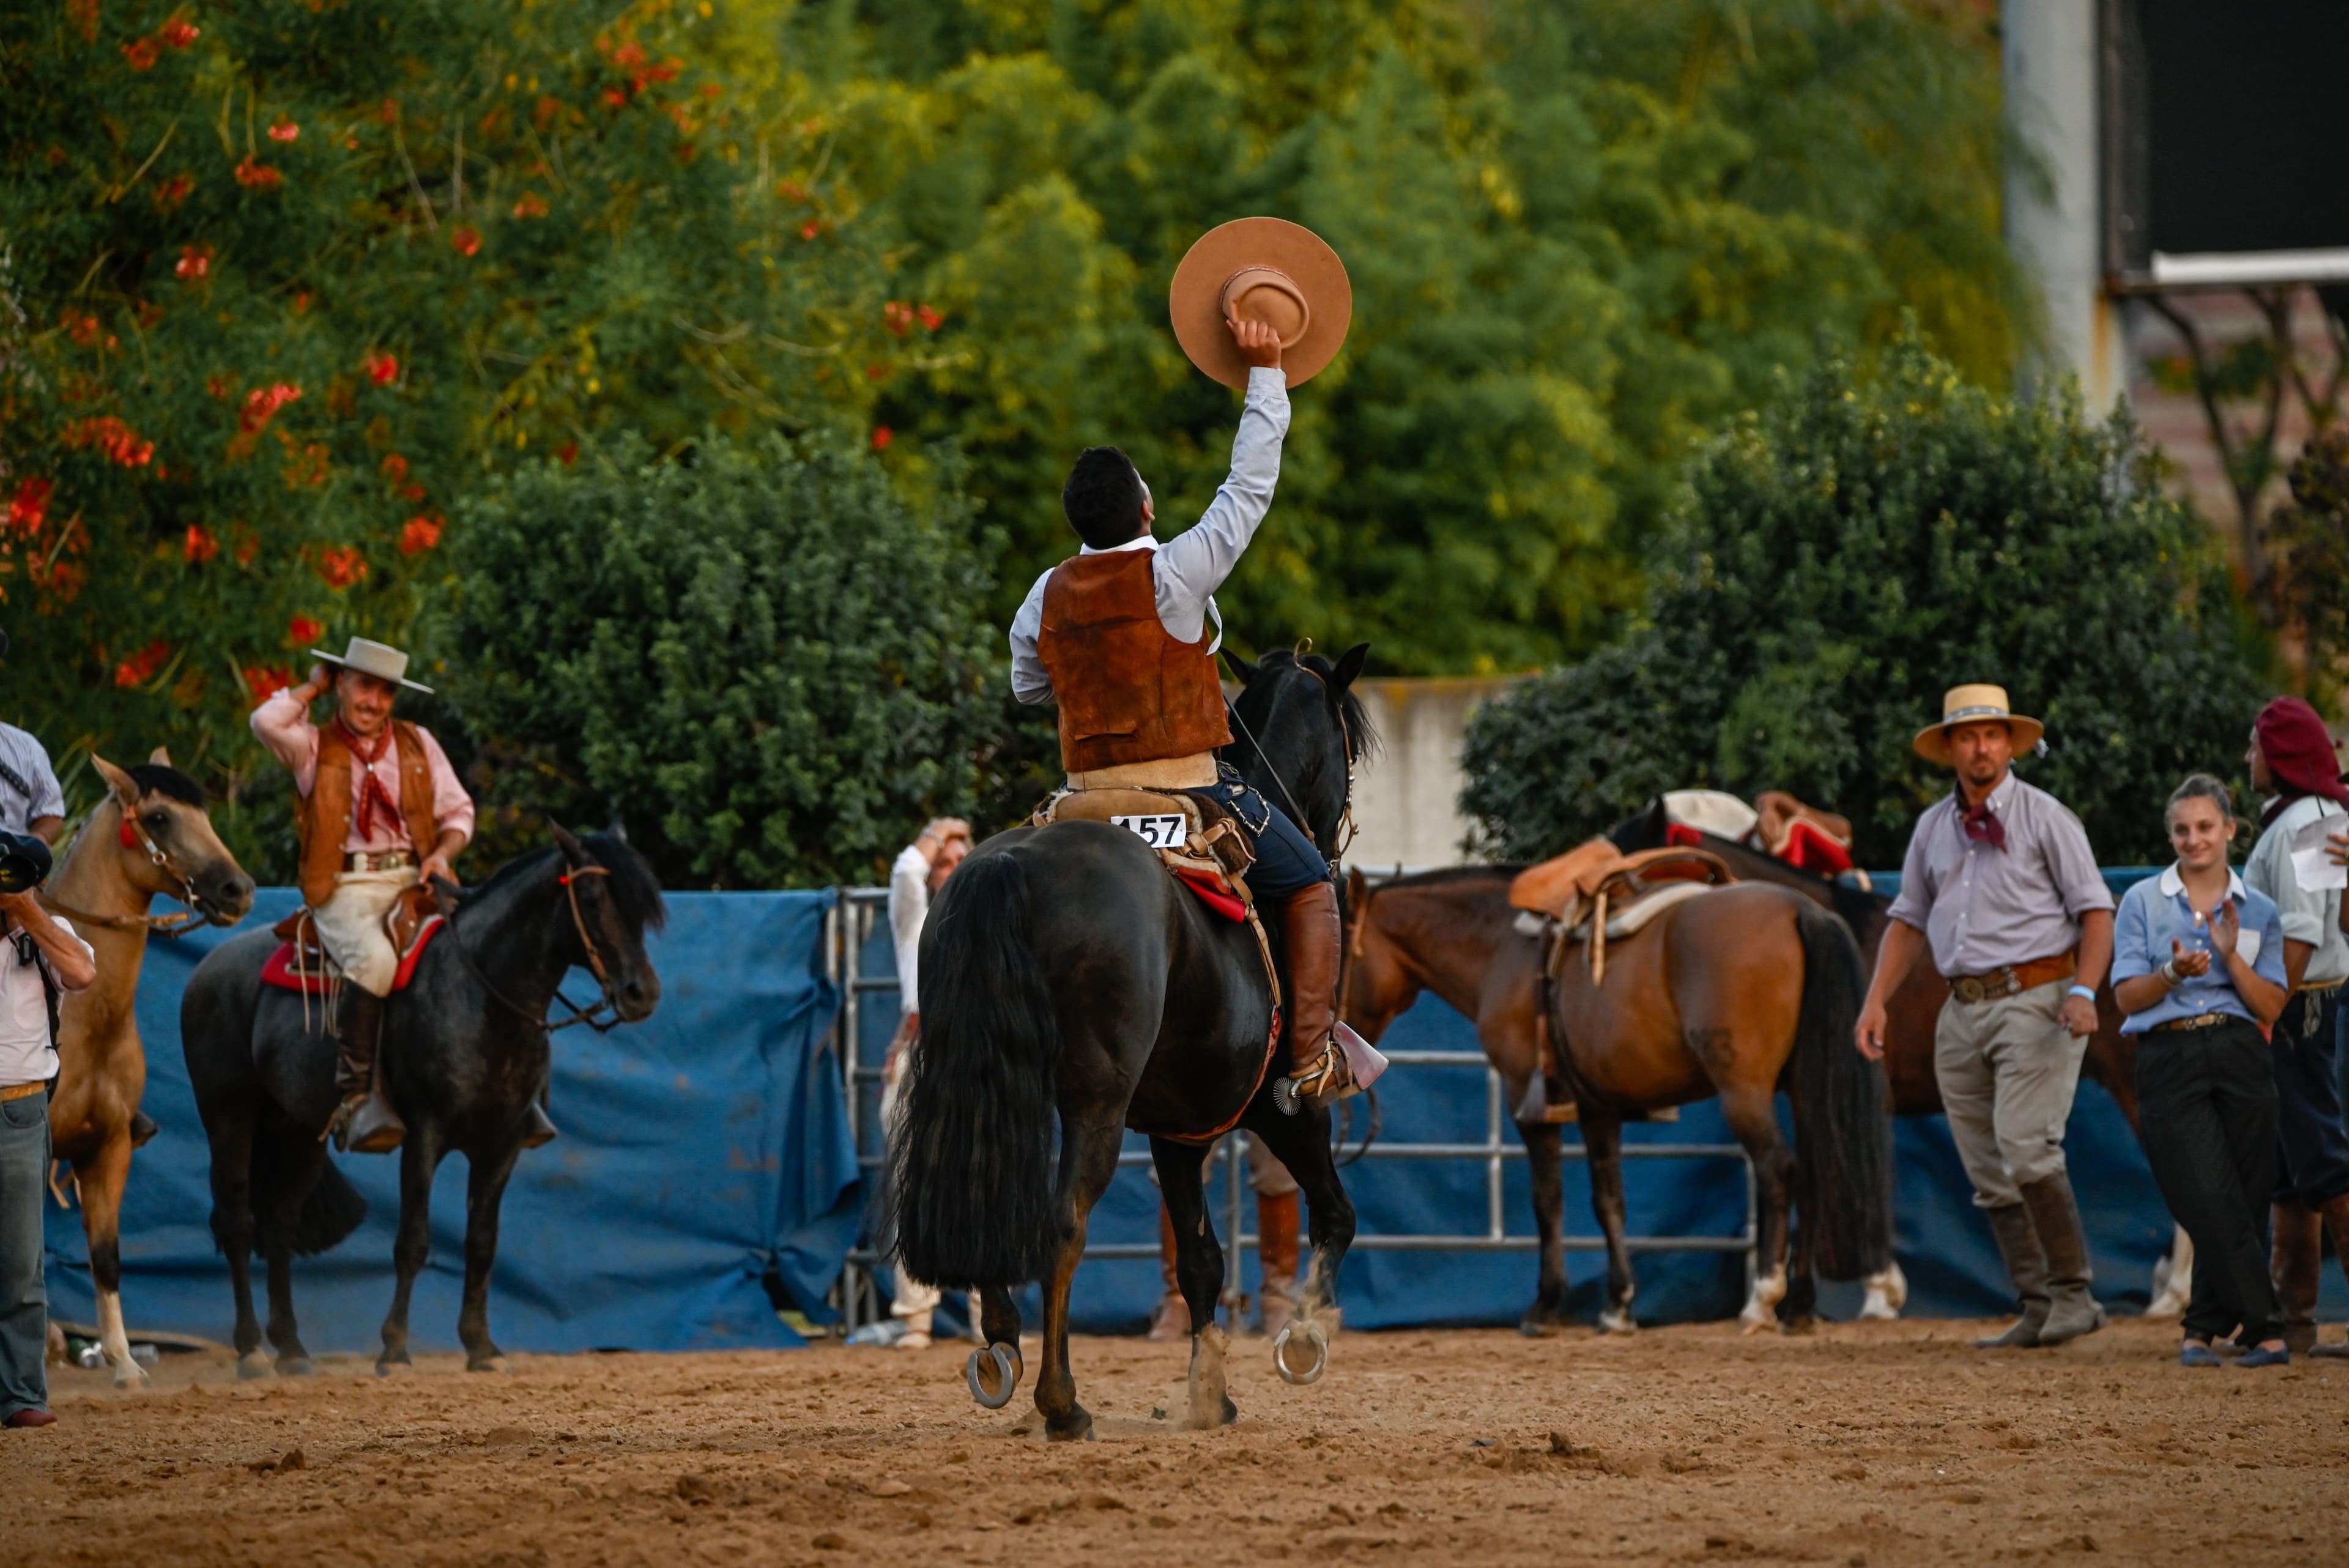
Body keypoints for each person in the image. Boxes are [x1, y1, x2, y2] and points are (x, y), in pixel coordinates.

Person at [1006, 314, 1348, 1104]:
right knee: (1310, 885)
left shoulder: (1043, 594)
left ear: (1078, 526)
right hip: (1190, 790)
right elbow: (1250, 486)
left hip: (1081, 803)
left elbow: (1028, 687)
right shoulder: (1177, 572)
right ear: (1148, 507)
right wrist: (1266, 369)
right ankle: (1310, 1058)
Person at [1856, 685, 2115, 1349]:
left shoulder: (2046, 816)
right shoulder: (1932, 828)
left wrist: (2085, 991)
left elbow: (2096, 911)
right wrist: (1875, 998)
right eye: (1968, 736)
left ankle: (2075, 1295)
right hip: (1961, 1006)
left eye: (1993, 734)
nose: (1982, 746)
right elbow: (1907, 920)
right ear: (1950, 748)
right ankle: (2037, 1305)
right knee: (1985, 1166)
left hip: (2038, 996)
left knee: (2027, 1146)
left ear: (2010, 743)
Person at [251, 636, 476, 1154]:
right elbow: (265, 722)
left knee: (481, 944)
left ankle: (503, 1093)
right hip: (344, 886)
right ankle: (355, 1096)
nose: (374, 702)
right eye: (364, 686)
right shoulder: (310, 745)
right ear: (342, 685)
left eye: (386, 692)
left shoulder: (418, 742)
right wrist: (311, 685)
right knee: (375, 960)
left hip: (415, 880)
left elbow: (459, 812)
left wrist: (443, 853)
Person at [2112, 775, 2291, 1368]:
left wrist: (2229, 953)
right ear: (2170, 835)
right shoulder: (2140, 901)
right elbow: (2125, 998)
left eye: (2205, 827)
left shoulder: (2259, 907)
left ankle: (2200, 1328)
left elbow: (2270, 1005)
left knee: (2243, 1193)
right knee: (2202, 1192)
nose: (2194, 839)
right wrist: (2172, 971)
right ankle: (2268, 1327)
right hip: (2169, 1053)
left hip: (2241, 1049)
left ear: (2230, 831)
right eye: (2183, 829)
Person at [2240, 698, 2349, 1356]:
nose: (2248, 759)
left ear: (2279, 756)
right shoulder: (2301, 820)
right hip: (2298, 1001)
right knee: (2291, 1164)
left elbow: (2305, 934)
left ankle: (2296, 1315)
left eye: (2255, 747)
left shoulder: (2309, 824)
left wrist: (2266, 1010)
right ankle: (2295, 1320)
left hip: (2298, 1002)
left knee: (2324, 1158)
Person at [852, 818, 974, 1350]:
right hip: (923, 1054)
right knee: (910, 1186)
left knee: (985, 1182)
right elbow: (906, 869)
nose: (947, 870)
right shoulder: (915, 918)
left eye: (958, 860)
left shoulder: (993, 920)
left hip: (976, 1057)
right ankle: (915, 1318)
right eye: (942, 862)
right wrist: (942, 828)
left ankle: (990, 1312)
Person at [1, 869, 98, 1429]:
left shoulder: (48, 931)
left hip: (20, 1105)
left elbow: (83, 971)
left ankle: (21, 1394)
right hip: (21, 1107)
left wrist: (26, 909)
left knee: (20, 1260)